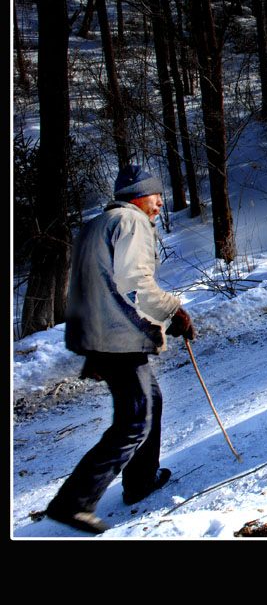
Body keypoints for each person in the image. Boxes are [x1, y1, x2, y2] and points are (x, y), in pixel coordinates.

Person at [45, 164, 194, 534]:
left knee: (150, 401)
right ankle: (73, 502)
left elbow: (91, 286)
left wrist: (92, 349)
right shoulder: (131, 222)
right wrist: (174, 309)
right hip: (117, 337)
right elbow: (135, 284)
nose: (160, 203)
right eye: (155, 196)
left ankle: (141, 479)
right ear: (138, 197)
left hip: (100, 336)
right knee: (134, 420)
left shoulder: (98, 223)